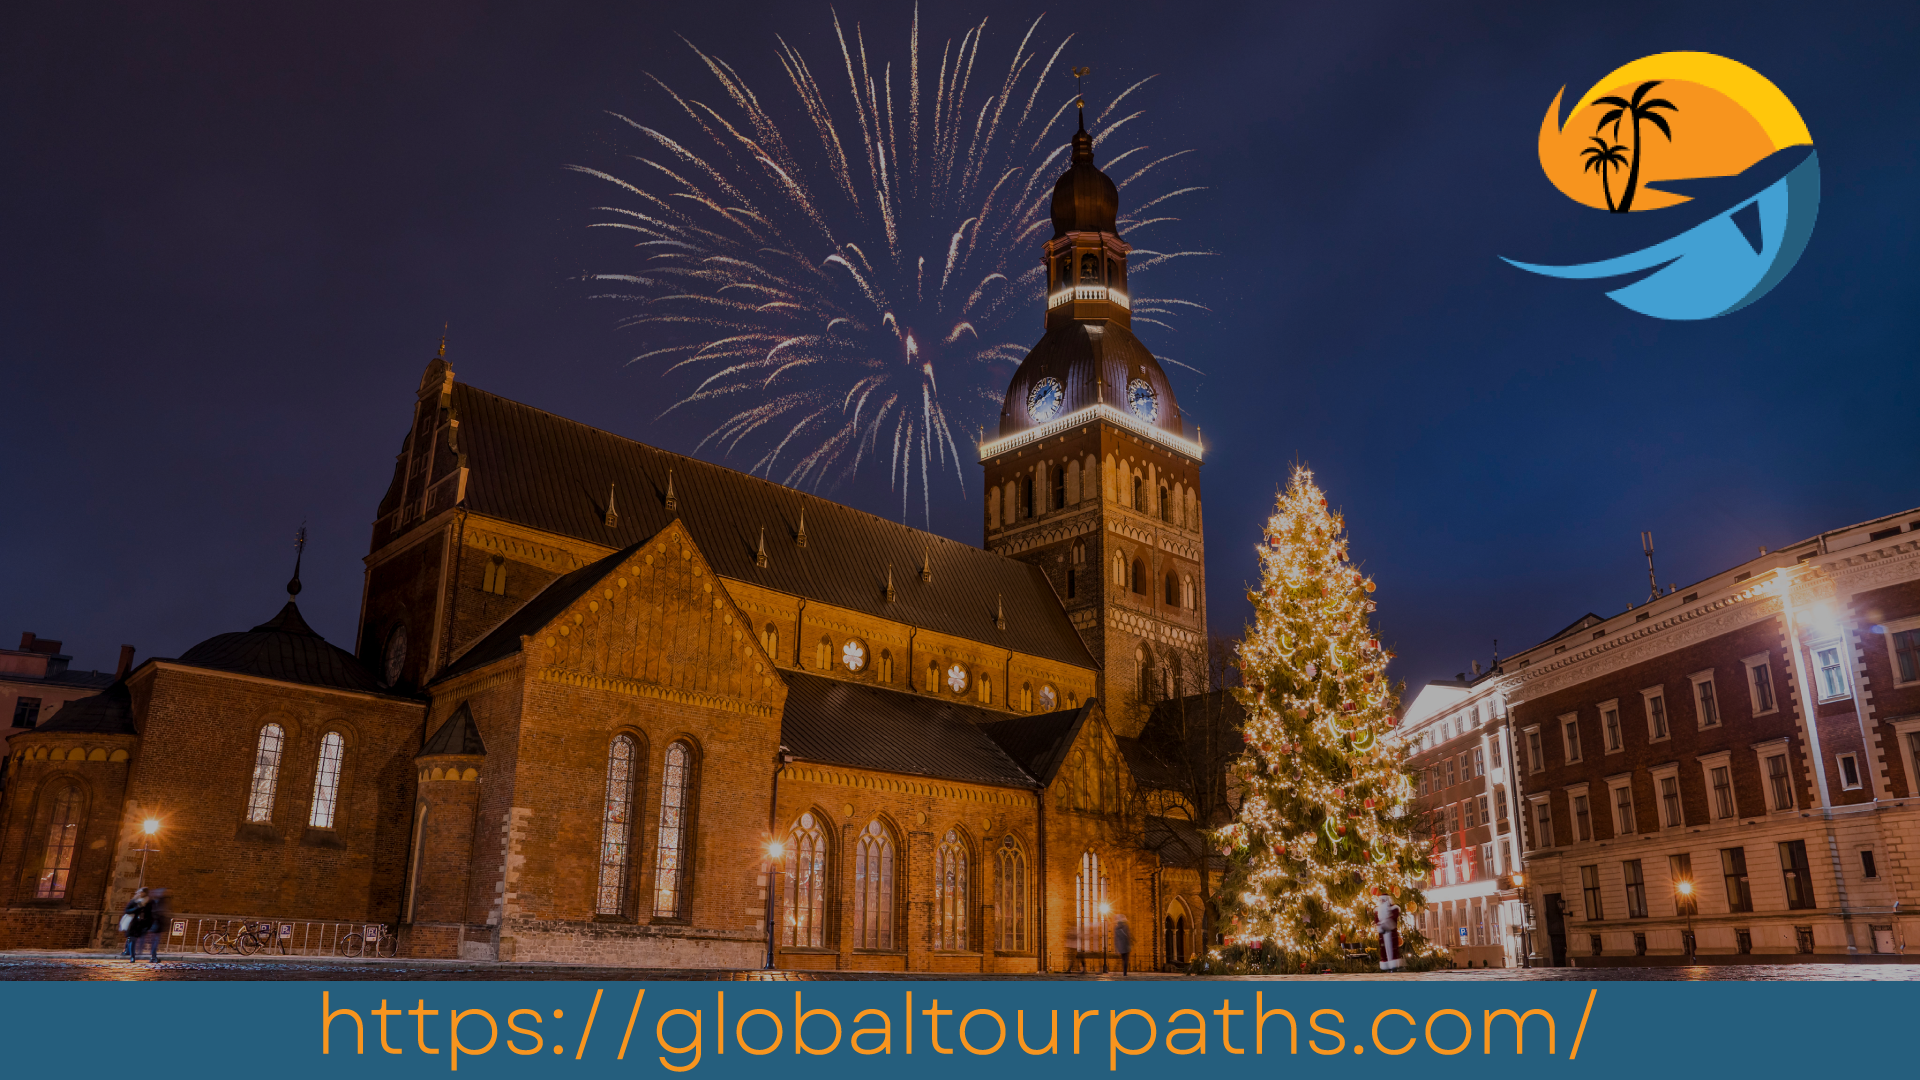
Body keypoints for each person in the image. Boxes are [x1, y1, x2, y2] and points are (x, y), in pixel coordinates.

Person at [141, 888, 171, 962]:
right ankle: (153, 956)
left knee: (154, 940)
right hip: (156, 925)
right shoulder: (158, 903)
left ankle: (153, 956)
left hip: (155, 924)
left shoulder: (155, 902)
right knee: (155, 940)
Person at [121, 889, 149, 961]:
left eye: (142, 893)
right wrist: (136, 908)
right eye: (140, 893)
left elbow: (147, 913)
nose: (141, 894)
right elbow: (127, 910)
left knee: (134, 939)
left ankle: (131, 953)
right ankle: (132, 956)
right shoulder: (133, 901)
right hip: (132, 923)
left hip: (139, 923)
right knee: (132, 939)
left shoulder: (146, 903)